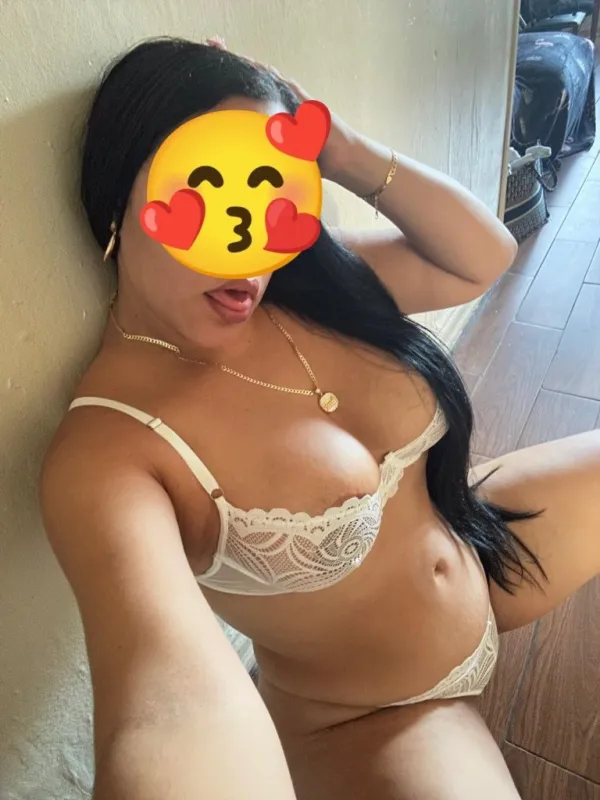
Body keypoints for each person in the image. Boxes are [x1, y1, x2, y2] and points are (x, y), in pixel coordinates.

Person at [41, 35, 600, 800]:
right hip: (369, 719)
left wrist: (340, 149)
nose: (247, 251)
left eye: (271, 187)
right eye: (208, 189)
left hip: (481, 542)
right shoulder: (110, 450)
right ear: (118, 202)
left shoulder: (309, 284)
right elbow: (168, 708)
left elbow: (485, 255)